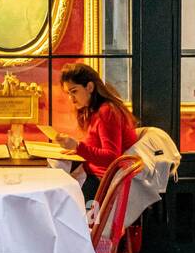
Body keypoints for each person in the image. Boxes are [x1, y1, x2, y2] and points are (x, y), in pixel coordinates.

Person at [55, 62, 138, 202]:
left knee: (56, 201)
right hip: (94, 178)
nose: (71, 98)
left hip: (102, 185)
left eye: (74, 91)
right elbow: (96, 148)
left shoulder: (107, 111)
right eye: (68, 93)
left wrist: (78, 147)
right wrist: (77, 150)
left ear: (90, 87)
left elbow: (112, 157)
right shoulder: (93, 110)